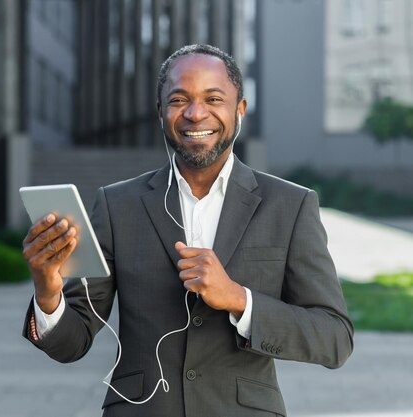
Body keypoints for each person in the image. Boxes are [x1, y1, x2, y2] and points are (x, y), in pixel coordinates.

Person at [21, 44, 353, 417]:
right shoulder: (117, 205)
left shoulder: (290, 205)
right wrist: (47, 290)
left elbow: (334, 339)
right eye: (179, 100)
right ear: (160, 112)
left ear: (239, 109)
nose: (196, 114)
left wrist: (239, 299)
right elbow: (71, 343)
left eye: (213, 98)